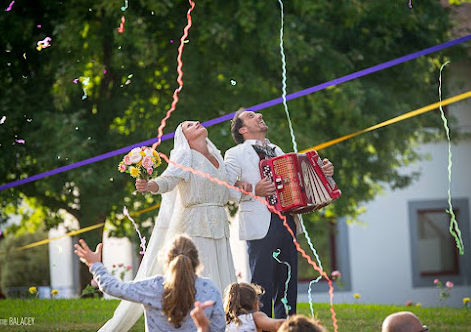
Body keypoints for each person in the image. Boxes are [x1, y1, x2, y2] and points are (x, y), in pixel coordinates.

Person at [100, 121, 248, 331]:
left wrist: (249, 190)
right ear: (184, 137)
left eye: (195, 121)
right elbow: (168, 181)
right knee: (204, 275)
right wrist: (149, 185)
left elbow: (228, 192)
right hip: (197, 224)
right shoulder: (185, 155)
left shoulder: (217, 157)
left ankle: (228, 324)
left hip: (220, 224)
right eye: (189, 124)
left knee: (225, 276)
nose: (196, 122)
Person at [224, 108, 334, 319]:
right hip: (260, 224)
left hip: (288, 220)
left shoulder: (278, 150)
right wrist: (255, 190)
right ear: (243, 129)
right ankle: (262, 325)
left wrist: (323, 172)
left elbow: (299, 181)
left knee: (287, 282)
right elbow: (224, 188)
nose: (259, 116)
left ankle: (287, 325)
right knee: (261, 284)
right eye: (251, 116)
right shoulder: (235, 153)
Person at [73, 235, 226, 332]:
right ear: (197, 261)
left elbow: (112, 288)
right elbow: (219, 328)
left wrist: (95, 265)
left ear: (166, 261)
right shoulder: (210, 289)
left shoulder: (153, 287)